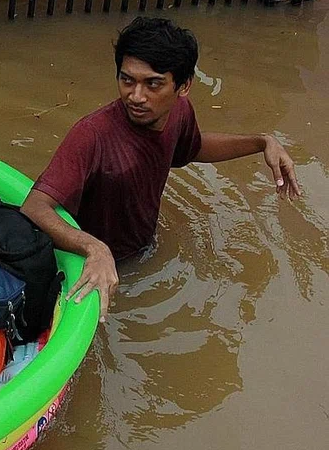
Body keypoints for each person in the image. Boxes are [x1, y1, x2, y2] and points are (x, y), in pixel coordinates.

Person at [19, 17, 301, 322]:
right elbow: (34, 207)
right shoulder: (91, 135)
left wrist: (262, 142)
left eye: (153, 83)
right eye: (127, 80)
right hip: (92, 267)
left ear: (183, 85)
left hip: (141, 254)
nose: (136, 96)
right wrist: (93, 248)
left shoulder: (180, 112)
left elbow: (192, 148)